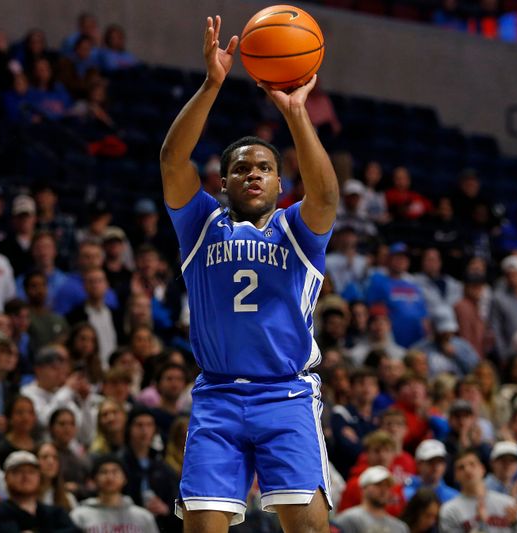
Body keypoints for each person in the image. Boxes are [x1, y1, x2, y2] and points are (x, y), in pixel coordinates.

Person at [159, 15, 338, 533]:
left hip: (285, 394)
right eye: (240, 167)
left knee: (307, 528)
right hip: (217, 397)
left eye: (263, 167)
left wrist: (296, 112)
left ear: (280, 183)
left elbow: (325, 195)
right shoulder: (200, 225)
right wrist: (213, 83)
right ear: (223, 183)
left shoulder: (297, 229)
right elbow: (173, 159)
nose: (253, 173)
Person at [0, 451, 79, 532]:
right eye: (18, 471)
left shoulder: (56, 513)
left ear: (39, 477)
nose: (25, 476)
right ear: (6, 478)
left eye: (31, 472)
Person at [439, 449, 517, 532]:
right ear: (455, 476)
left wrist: (516, 524)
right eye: (461, 467)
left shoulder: (507, 503)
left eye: (472, 464)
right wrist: (480, 523)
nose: (467, 470)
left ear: (482, 469)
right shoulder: (450, 510)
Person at [70, 454, 158, 532]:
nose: (110, 477)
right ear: (94, 479)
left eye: (115, 472)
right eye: (104, 472)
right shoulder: (79, 516)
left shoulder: (143, 517)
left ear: (125, 478)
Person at [334, 465, 409, 533]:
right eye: (378, 484)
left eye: (387, 486)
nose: (383, 490)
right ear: (363, 488)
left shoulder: (400, 527)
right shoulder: (348, 520)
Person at [404, 439, 459, 504]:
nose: (436, 467)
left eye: (439, 462)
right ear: (419, 464)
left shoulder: (454, 497)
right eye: (431, 462)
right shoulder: (405, 492)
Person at [36, 441, 77, 511]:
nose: (51, 462)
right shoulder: (25, 496)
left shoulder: (69, 499)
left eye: (55, 458)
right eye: (44, 457)